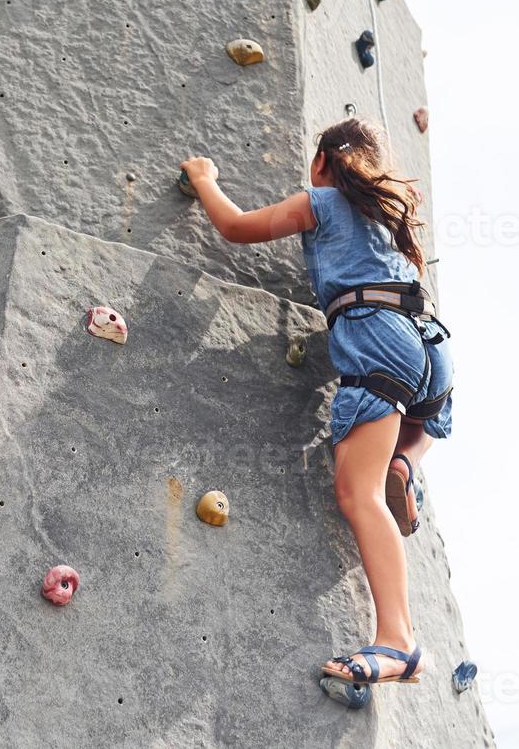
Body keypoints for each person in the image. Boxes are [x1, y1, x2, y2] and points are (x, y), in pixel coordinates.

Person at [179, 116, 454, 688]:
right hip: (431, 350)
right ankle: (407, 462)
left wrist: (204, 178)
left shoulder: (322, 202)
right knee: (407, 430)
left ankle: (399, 643)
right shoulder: (391, 223)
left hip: (381, 344)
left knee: (359, 494)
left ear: (323, 162)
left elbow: (235, 227)